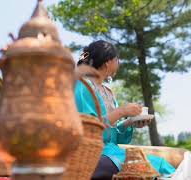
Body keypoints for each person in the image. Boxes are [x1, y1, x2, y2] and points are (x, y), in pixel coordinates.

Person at [74, 40, 176, 180]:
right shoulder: (82, 87)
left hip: (111, 151)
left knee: (158, 164)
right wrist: (121, 112)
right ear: (108, 62)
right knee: (155, 165)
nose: (119, 63)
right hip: (92, 153)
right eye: (117, 59)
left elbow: (113, 136)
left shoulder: (108, 93)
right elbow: (90, 129)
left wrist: (130, 122)